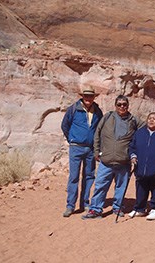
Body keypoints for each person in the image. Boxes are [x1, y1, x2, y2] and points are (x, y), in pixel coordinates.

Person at [82, 95, 145, 219]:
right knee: (100, 185)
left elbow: (149, 126)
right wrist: (96, 152)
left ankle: (118, 208)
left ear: (128, 106)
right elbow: (97, 134)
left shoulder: (133, 120)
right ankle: (95, 209)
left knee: (121, 187)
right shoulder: (108, 117)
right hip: (106, 160)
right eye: (119, 104)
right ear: (115, 106)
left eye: (124, 104)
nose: (122, 107)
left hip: (123, 161)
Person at [61, 86, 103, 217]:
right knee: (74, 177)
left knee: (89, 176)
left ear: (94, 97)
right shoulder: (74, 109)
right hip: (76, 147)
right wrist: (72, 139)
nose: (88, 98)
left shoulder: (97, 111)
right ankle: (70, 206)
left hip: (90, 149)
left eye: (91, 96)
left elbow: (99, 129)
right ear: (82, 96)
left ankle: (85, 203)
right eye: (86, 96)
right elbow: (65, 125)